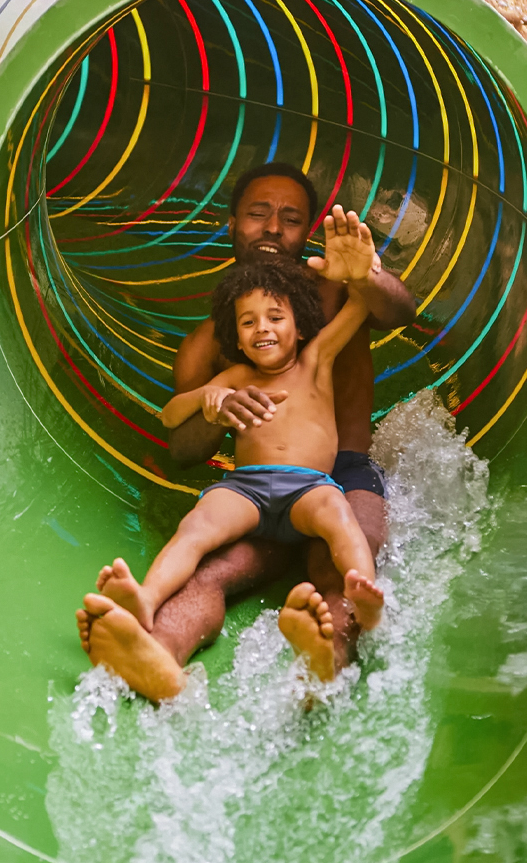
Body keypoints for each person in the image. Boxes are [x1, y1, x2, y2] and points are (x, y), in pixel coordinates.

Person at [76, 163, 417, 701]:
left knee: (348, 559)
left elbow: (400, 310)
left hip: (339, 474)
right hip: (256, 485)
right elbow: (184, 451)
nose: (273, 228)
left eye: (290, 218)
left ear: (307, 231)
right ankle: (156, 652)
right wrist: (213, 411)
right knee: (207, 573)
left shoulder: (332, 298)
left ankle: (323, 660)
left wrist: (363, 275)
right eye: (259, 214)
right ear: (233, 224)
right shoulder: (209, 344)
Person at [95, 230, 387, 665]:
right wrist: (207, 401)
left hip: (310, 488)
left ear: (302, 324)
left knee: (339, 516)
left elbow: (358, 309)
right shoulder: (234, 379)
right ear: (236, 334)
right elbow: (170, 415)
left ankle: (362, 593)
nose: (261, 329)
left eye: (275, 317)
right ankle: (146, 598)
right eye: (248, 322)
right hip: (247, 490)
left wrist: (361, 275)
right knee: (195, 529)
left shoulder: (316, 359)